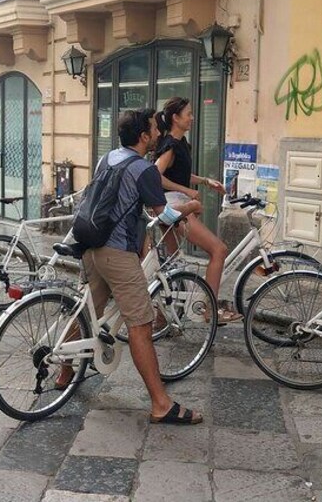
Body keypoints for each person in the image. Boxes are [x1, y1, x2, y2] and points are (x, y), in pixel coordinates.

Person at [61, 110, 204, 426]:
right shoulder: (144, 170)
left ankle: (64, 370)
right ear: (142, 136)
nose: (157, 133)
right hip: (117, 253)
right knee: (140, 324)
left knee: (89, 312)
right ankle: (161, 404)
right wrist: (191, 206)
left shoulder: (107, 158)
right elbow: (164, 215)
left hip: (91, 245)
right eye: (153, 129)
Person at [153, 97, 240, 325]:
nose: (192, 118)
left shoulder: (180, 143)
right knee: (218, 250)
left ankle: (162, 318)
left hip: (170, 202)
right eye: (188, 114)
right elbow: (155, 176)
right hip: (174, 204)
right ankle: (209, 311)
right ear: (176, 118)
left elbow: (177, 174)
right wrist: (187, 192)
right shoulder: (170, 145)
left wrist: (204, 181)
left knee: (173, 264)